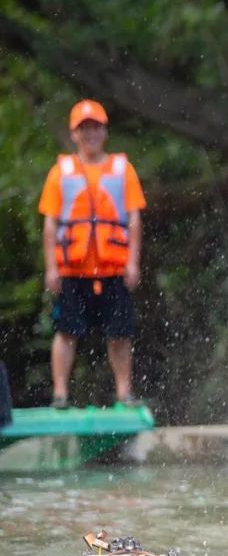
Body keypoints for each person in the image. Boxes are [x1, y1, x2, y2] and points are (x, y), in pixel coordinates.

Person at [38, 100, 146, 409]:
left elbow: (134, 220)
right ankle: (60, 394)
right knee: (66, 331)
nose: (90, 134)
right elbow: (50, 224)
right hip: (73, 269)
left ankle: (124, 392)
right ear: (74, 134)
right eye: (84, 129)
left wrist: (133, 262)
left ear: (105, 132)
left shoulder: (122, 170)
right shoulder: (61, 173)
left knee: (120, 333)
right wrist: (51, 268)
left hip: (113, 268)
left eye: (95, 127)